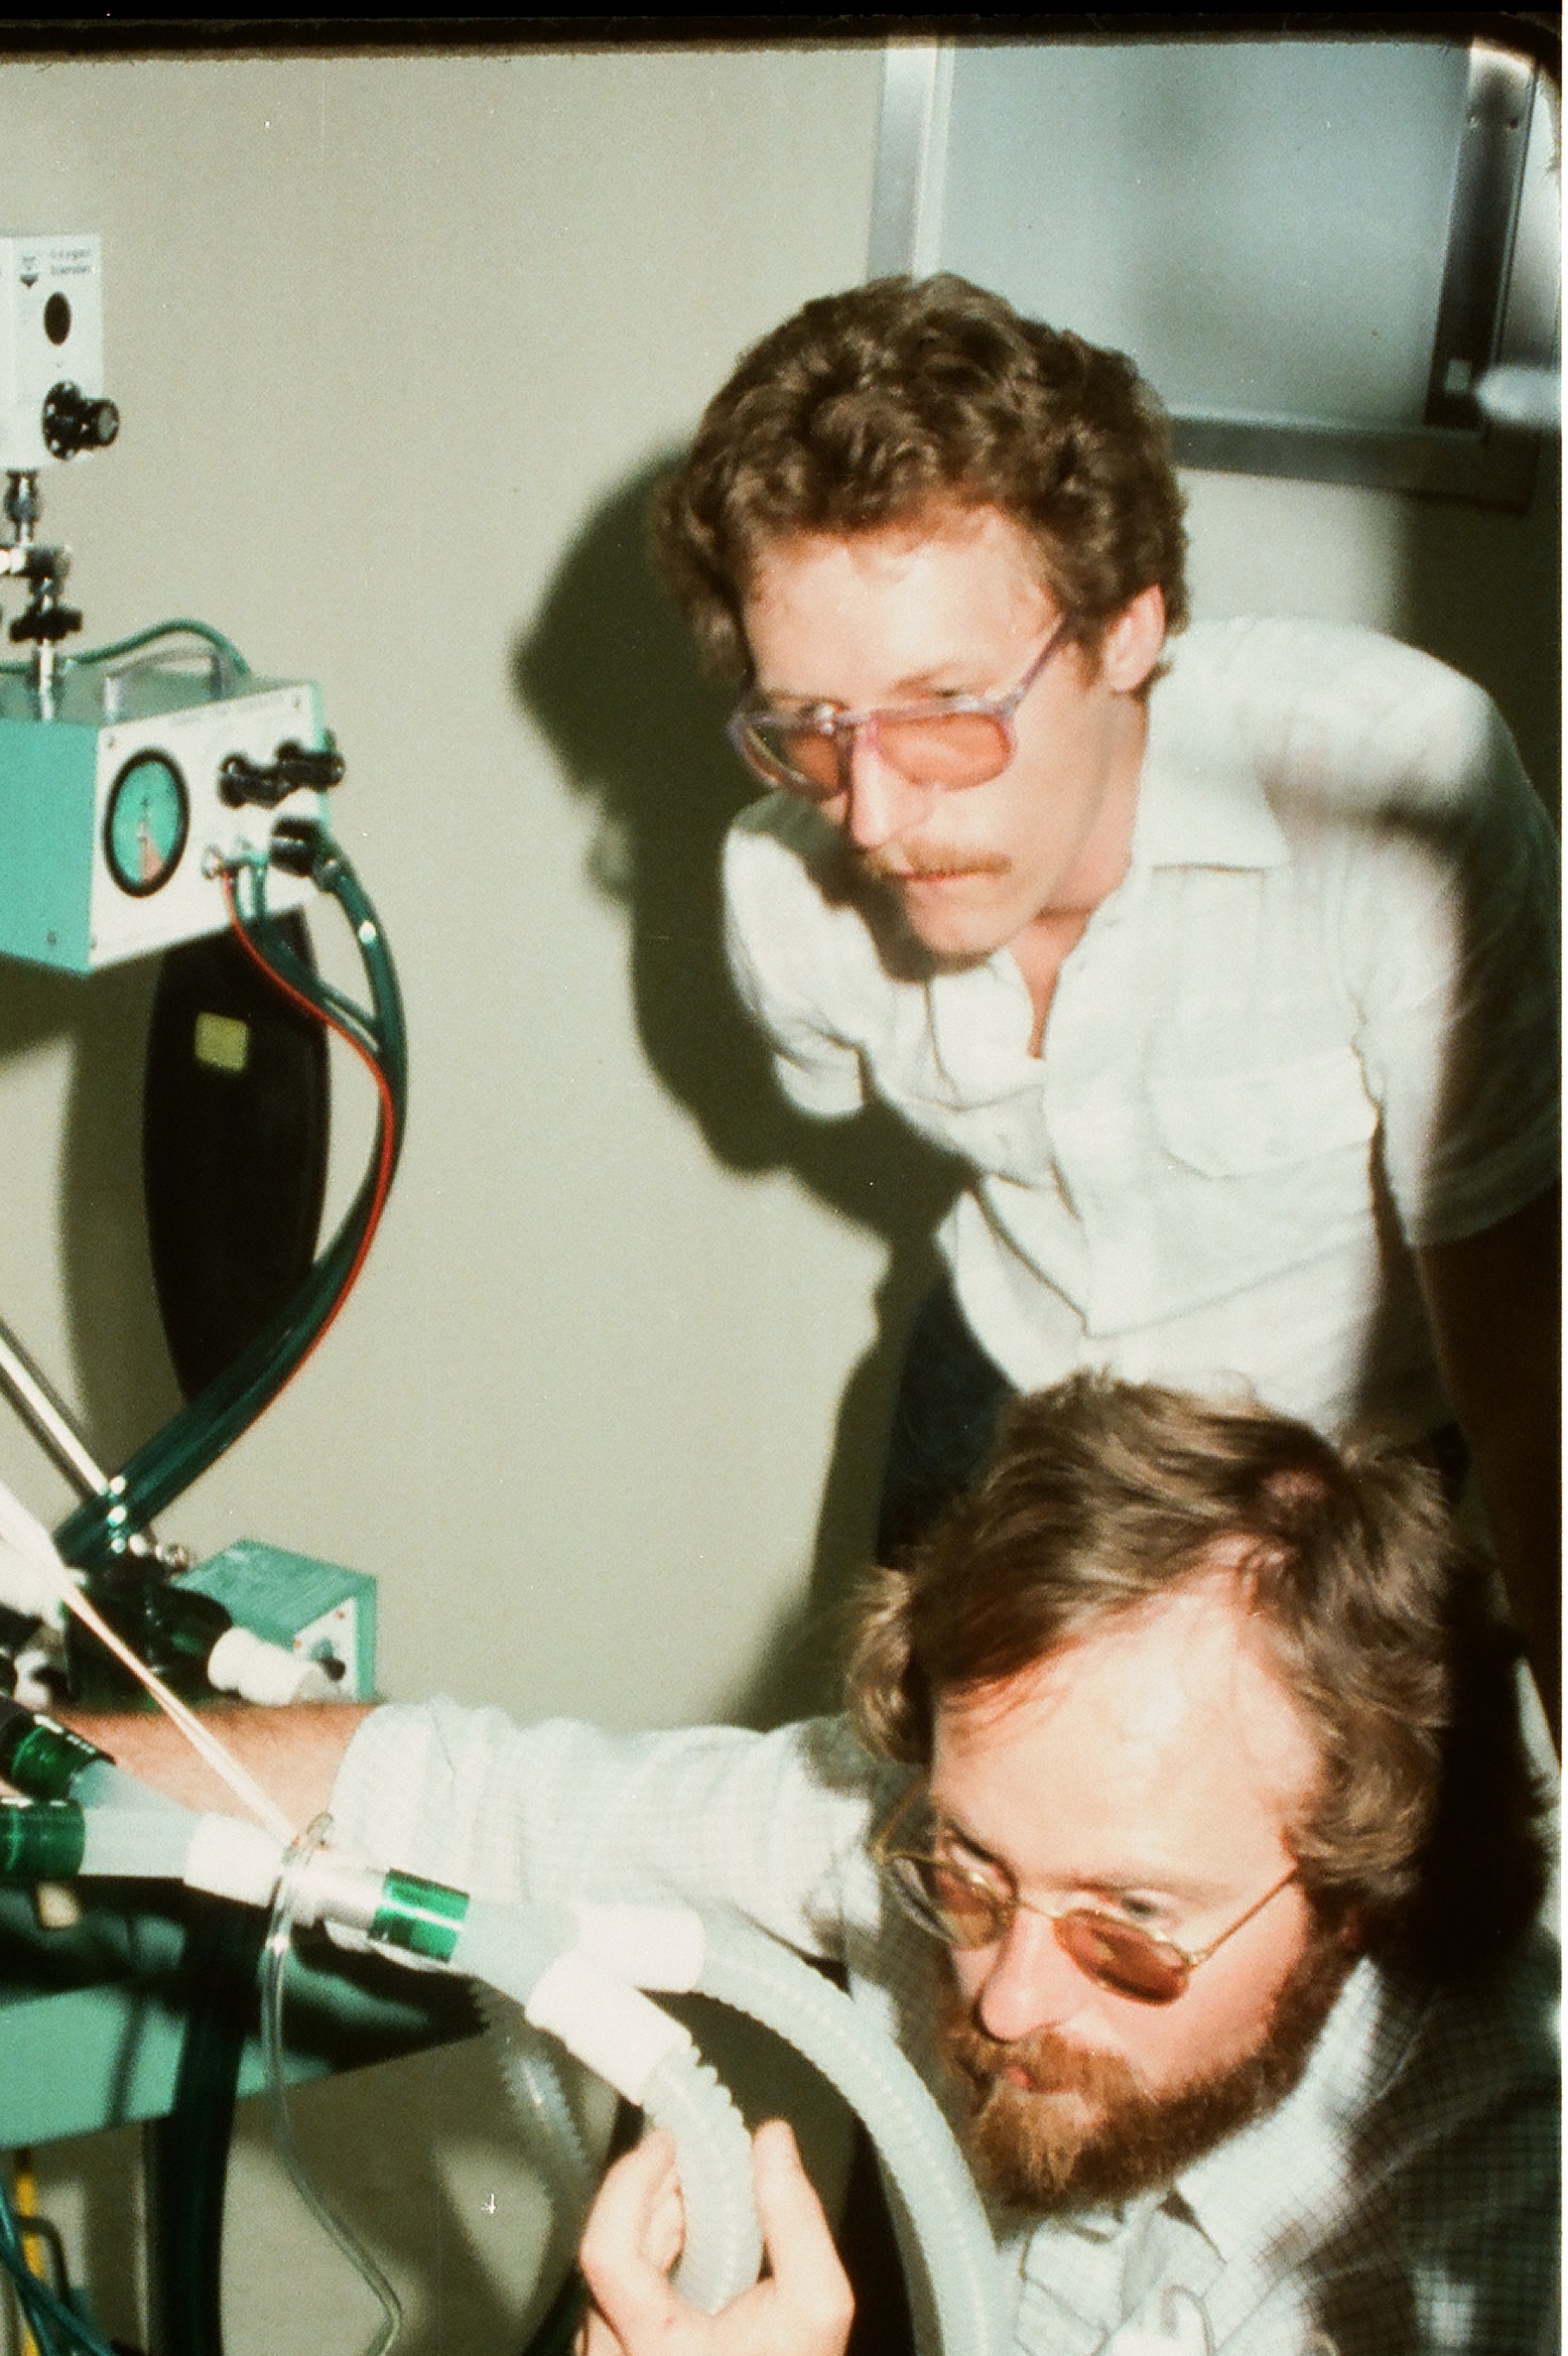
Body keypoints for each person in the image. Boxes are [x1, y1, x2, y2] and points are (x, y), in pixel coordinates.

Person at [57, 1375, 1554, 2356]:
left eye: (1132, 1928)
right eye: (968, 1873)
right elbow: (473, 1799)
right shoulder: (954, 1828)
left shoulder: (1468, 2236)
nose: (1011, 1999)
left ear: (1360, 1895)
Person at [648, 275, 1560, 1734]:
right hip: (1005, 1383)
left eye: (947, 710)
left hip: (1339, 1460)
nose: (872, 817)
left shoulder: (1404, 796)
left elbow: (1528, 1378)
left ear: (1127, 629)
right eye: (815, 727)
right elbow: (829, 1089)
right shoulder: (783, 895)